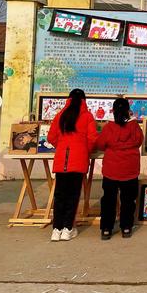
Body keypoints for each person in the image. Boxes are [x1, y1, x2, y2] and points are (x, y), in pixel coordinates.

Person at [48, 89, 98, 242]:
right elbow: (93, 139)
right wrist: (85, 150)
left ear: (68, 99)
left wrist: (62, 145)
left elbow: (51, 137)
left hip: (61, 160)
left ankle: (56, 229)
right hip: (78, 160)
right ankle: (68, 229)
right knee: (73, 196)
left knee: (60, 196)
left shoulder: (60, 115)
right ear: (84, 100)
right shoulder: (87, 116)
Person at [96, 98, 144, 240]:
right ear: (128, 110)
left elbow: (101, 144)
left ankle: (106, 229)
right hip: (130, 169)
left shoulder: (109, 127)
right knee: (128, 200)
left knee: (108, 200)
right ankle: (126, 228)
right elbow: (139, 141)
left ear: (113, 110)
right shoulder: (134, 126)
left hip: (111, 169)